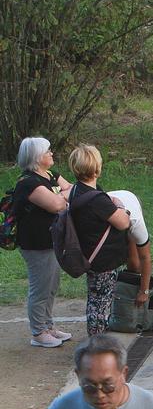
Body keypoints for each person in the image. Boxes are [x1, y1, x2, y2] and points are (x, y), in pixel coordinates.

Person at [11, 137, 73, 347]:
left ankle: (48, 325)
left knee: (52, 285)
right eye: (47, 151)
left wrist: (63, 195)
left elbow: (72, 189)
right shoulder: (28, 183)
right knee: (41, 287)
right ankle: (38, 332)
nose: (52, 154)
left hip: (52, 241)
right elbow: (57, 205)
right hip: (36, 244)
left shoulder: (50, 175)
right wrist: (63, 196)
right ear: (37, 158)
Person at [66, 145, 131, 335]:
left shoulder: (78, 190)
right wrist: (122, 208)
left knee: (94, 300)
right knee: (102, 303)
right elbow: (123, 223)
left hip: (89, 254)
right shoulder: (97, 200)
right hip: (103, 260)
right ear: (97, 168)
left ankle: (95, 339)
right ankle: (98, 343)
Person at [107, 189, 153, 313]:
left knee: (134, 263)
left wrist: (144, 291)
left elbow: (145, 258)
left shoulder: (135, 222)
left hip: (125, 206)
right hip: (105, 213)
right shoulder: (103, 215)